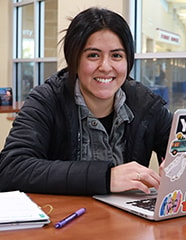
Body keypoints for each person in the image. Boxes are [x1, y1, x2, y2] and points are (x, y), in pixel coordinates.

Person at [0, 7, 172, 196]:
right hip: (65, 221)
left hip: (129, 222)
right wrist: (107, 177)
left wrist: (180, 164)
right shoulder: (46, 100)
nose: (106, 67)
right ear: (74, 59)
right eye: (93, 55)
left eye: (116, 55)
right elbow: (10, 168)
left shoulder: (146, 104)